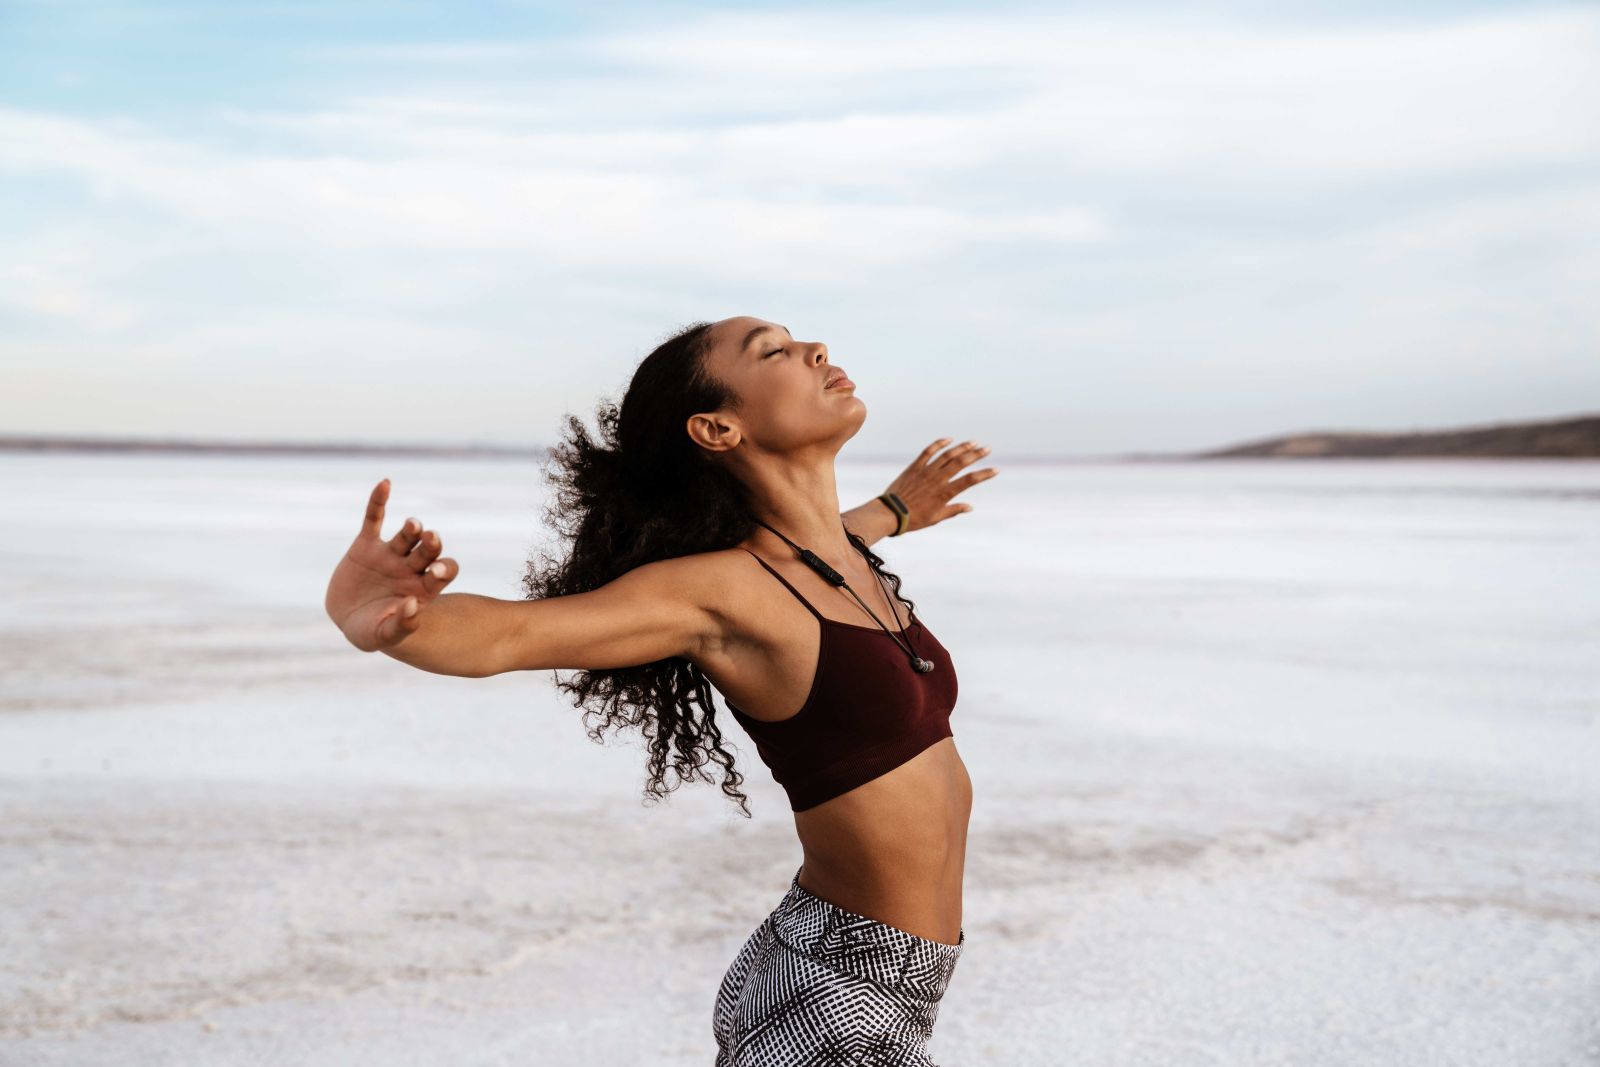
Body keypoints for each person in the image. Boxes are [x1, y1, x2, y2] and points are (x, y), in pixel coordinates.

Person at [324, 316, 998, 1065]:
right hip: (832, 996)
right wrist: (372, 620)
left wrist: (895, 511)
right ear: (716, 428)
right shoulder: (720, 592)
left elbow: (827, 541)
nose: (818, 351)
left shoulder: (833, 557)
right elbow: (510, 635)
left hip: (879, 980)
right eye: (774, 351)